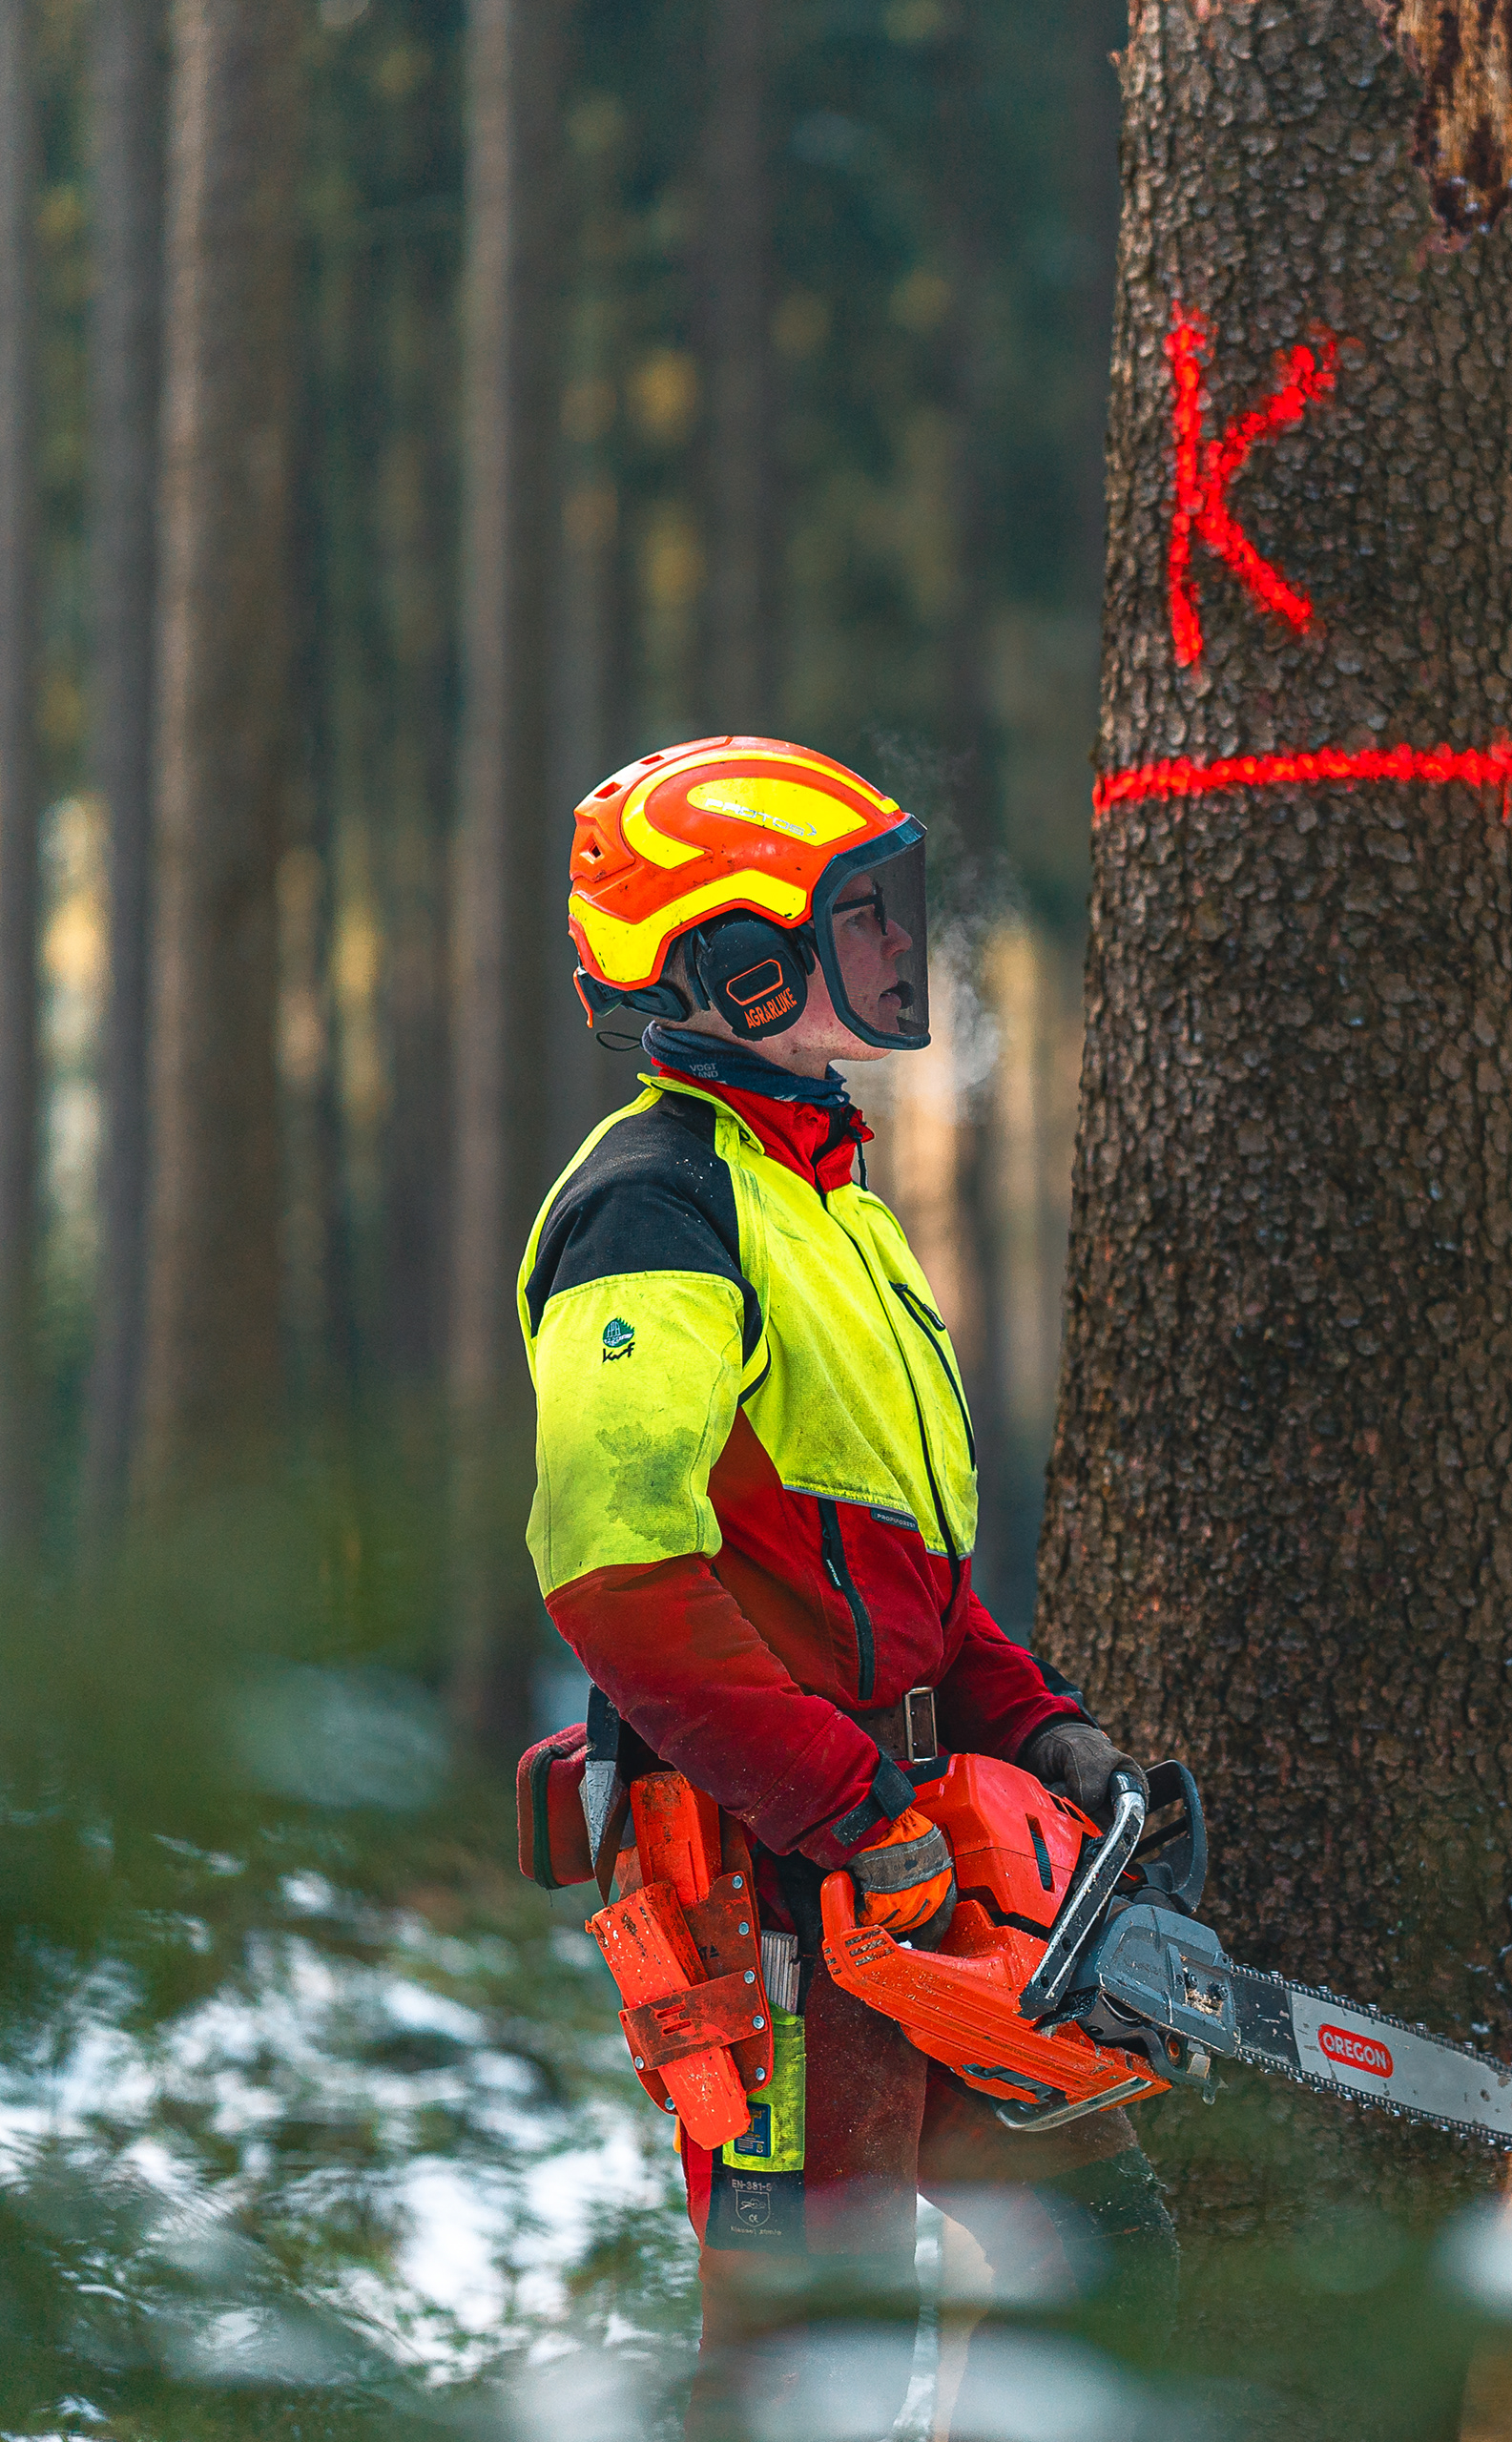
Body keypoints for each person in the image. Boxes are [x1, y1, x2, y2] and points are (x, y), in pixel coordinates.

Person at [522, 735, 1175, 2412]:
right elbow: (616, 1572)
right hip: (772, 1867)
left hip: (894, 1849)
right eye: (854, 922)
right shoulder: (656, 1213)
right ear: (736, 965)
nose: (897, 954)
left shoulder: (832, 1210)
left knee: (1095, 2240)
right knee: (809, 2331)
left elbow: (909, 1578)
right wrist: (836, 1804)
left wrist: (1038, 1728)